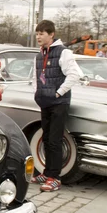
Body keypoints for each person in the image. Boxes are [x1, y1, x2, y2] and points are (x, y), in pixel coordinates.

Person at [30, 20, 83, 192]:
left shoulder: (63, 52)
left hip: (59, 103)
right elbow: (36, 78)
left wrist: (59, 93)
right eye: (37, 33)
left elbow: (75, 74)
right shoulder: (39, 54)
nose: (38, 37)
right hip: (45, 102)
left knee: (55, 140)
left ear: (51, 34)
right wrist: (37, 94)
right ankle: (47, 173)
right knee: (46, 139)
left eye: (42, 34)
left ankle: (55, 178)